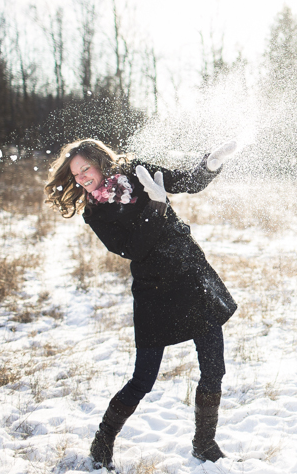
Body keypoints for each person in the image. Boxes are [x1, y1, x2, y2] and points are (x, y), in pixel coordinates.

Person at [44, 138, 239, 468]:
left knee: (214, 369)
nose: (81, 179)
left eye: (85, 170)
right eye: (75, 174)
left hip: (191, 277)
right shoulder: (95, 212)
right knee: (143, 379)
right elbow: (133, 248)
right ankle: (103, 440)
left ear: (100, 162)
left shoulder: (138, 171)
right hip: (154, 291)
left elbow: (186, 182)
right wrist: (156, 207)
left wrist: (211, 164)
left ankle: (205, 443)